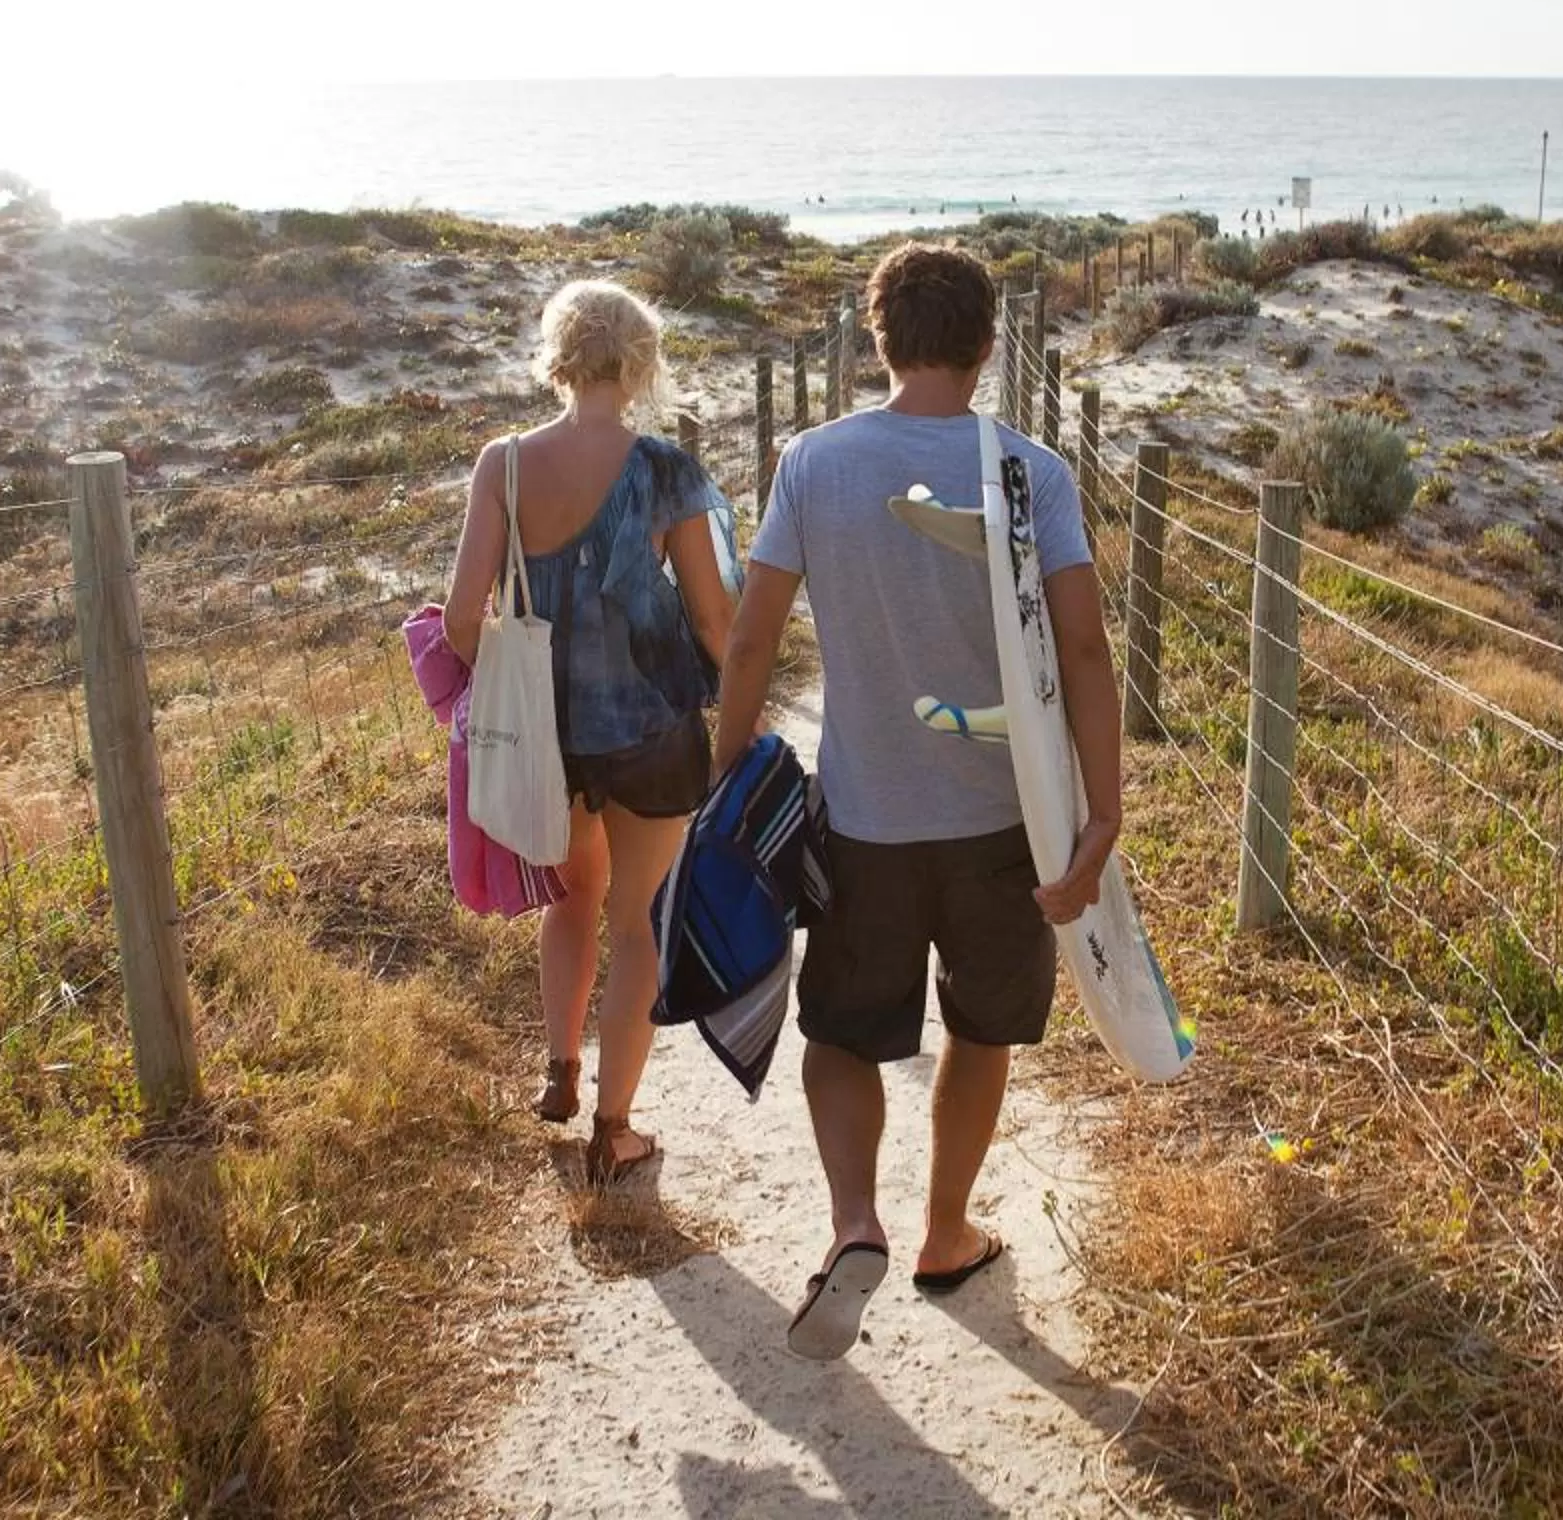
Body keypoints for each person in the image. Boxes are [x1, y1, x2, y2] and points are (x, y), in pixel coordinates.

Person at [710, 243, 1123, 1359]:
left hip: (863, 819)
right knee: (982, 1027)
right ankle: (946, 1231)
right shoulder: (1034, 471)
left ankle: (856, 1221)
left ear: (878, 337)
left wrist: (727, 764)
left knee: (843, 1030)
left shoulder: (816, 461)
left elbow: (753, 634)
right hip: (1009, 822)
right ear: (990, 345)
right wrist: (1102, 813)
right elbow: (1084, 649)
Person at [443, 280, 736, 1184]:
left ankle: (560, 1073)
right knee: (640, 925)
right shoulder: (667, 470)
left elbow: (462, 620)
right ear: (641, 361)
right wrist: (740, 708)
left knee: (571, 900)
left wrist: (520, 682)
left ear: (558, 356)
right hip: (650, 731)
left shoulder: (506, 464)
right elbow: (716, 622)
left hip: (546, 740)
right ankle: (616, 1129)